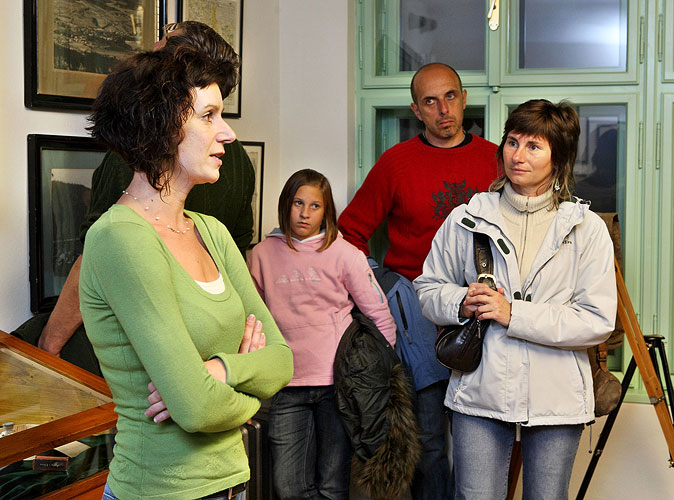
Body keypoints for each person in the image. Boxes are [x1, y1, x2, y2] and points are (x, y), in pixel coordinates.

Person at [81, 47, 292, 500]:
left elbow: (282, 361)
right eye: (209, 115)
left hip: (233, 483)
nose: (228, 133)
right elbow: (195, 409)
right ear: (161, 124)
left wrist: (217, 370)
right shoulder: (122, 238)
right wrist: (246, 388)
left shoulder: (211, 233)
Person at [414, 99, 617, 500]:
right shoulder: (467, 218)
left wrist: (513, 313)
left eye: (533, 146)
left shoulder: (586, 228)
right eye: (512, 142)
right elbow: (428, 288)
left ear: (559, 159)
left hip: (557, 396)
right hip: (481, 391)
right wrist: (461, 301)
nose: (517, 155)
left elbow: (596, 320)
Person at [36, 21, 255, 363]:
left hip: (134, 350)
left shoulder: (140, 157)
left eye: (164, 40)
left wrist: (48, 347)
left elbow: (90, 260)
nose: (152, 45)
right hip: (203, 345)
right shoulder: (237, 160)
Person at [337, 62, 498, 500]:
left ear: (464, 99)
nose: (443, 109)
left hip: (484, 314)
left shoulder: (496, 159)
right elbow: (348, 234)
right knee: (428, 439)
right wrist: (384, 287)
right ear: (416, 109)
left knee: (479, 439)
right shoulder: (396, 163)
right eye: (430, 101)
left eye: (450, 96)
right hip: (420, 317)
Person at [247, 169, 396, 500]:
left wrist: (382, 375)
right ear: (286, 204)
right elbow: (251, 319)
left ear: (326, 211)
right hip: (285, 386)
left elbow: (378, 314)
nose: (304, 213)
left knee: (332, 485)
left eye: (315, 206)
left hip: (338, 388)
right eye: (298, 203)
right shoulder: (261, 255)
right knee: (288, 486)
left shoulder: (345, 254)